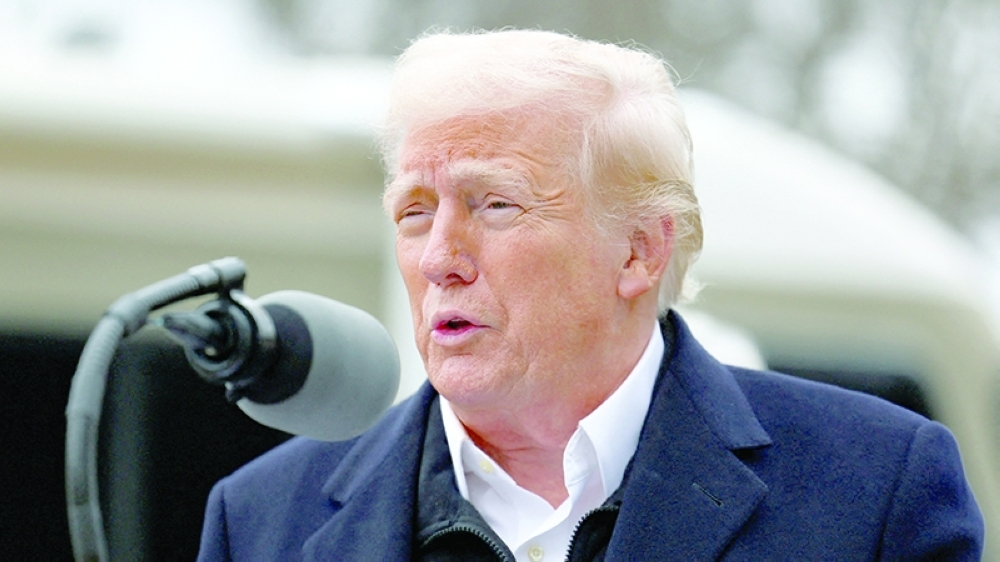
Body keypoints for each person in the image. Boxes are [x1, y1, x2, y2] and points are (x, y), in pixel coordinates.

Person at [197, 29, 984, 560]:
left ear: (640, 250)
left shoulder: (876, 489)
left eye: (494, 204)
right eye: (413, 212)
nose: (439, 258)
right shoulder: (264, 520)